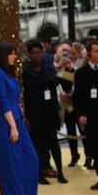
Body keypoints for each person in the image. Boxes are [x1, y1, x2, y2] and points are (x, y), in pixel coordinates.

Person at [0, 42, 39, 195]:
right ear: (4, 55)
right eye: (11, 54)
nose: (14, 57)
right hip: (7, 125)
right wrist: (12, 126)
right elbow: (3, 101)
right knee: (12, 167)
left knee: (31, 161)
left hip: (17, 122)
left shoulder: (7, 73)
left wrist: (19, 122)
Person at [23, 40, 68, 185]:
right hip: (35, 114)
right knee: (38, 146)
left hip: (50, 112)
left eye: (39, 52)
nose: (37, 55)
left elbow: (58, 82)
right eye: (33, 53)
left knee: (54, 144)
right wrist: (26, 117)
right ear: (29, 55)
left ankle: (60, 172)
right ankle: (39, 173)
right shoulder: (26, 71)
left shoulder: (48, 69)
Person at [73, 39, 98, 190]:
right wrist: (80, 114)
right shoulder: (81, 73)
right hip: (92, 117)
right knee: (96, 146)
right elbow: (77, 97)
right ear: (90, 53)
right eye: (97, 51)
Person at [55, 41, 88, 167]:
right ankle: (74, 155)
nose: (71, 55)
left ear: (78, 54)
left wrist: (72, 94)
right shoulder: (65, 66)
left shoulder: (81, 65)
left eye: (73, 53)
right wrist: (63, 93)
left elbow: (78, 85)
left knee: (83, 130)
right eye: (69, 53)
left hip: (78, 104)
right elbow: (59, 81)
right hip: (66, 104)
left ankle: (88, 155)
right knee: (70, 131)